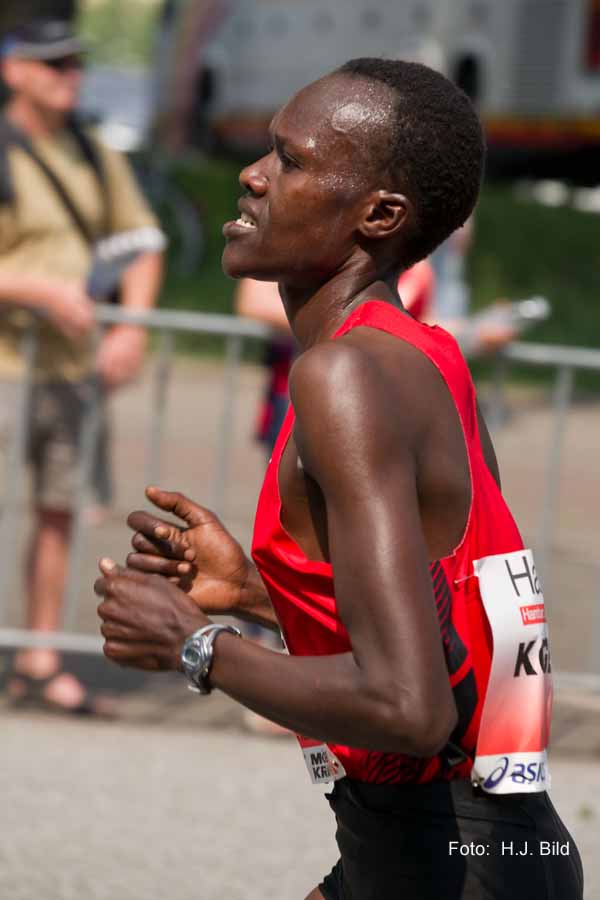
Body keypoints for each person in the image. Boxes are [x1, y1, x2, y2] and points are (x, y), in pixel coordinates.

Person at [96, 59, 583, 898]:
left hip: (450, 861)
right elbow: (463, 623)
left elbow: (409, 706)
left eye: (291, 160)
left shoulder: (344, 379)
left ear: (381, 214)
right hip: (471, 850)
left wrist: (196, 645)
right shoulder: (422, 355)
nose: (252, 175)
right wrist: (257, 592)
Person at [0, 19, 164, 713]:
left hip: (69, 372)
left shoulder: (94, 150)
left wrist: (131, 326)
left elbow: (144, 242)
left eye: (74, 64)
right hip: (5, 365)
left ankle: (38, 659)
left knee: (60, 512)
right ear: (14, 72)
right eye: (52, 65)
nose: (69, 75)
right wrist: (35, 289)